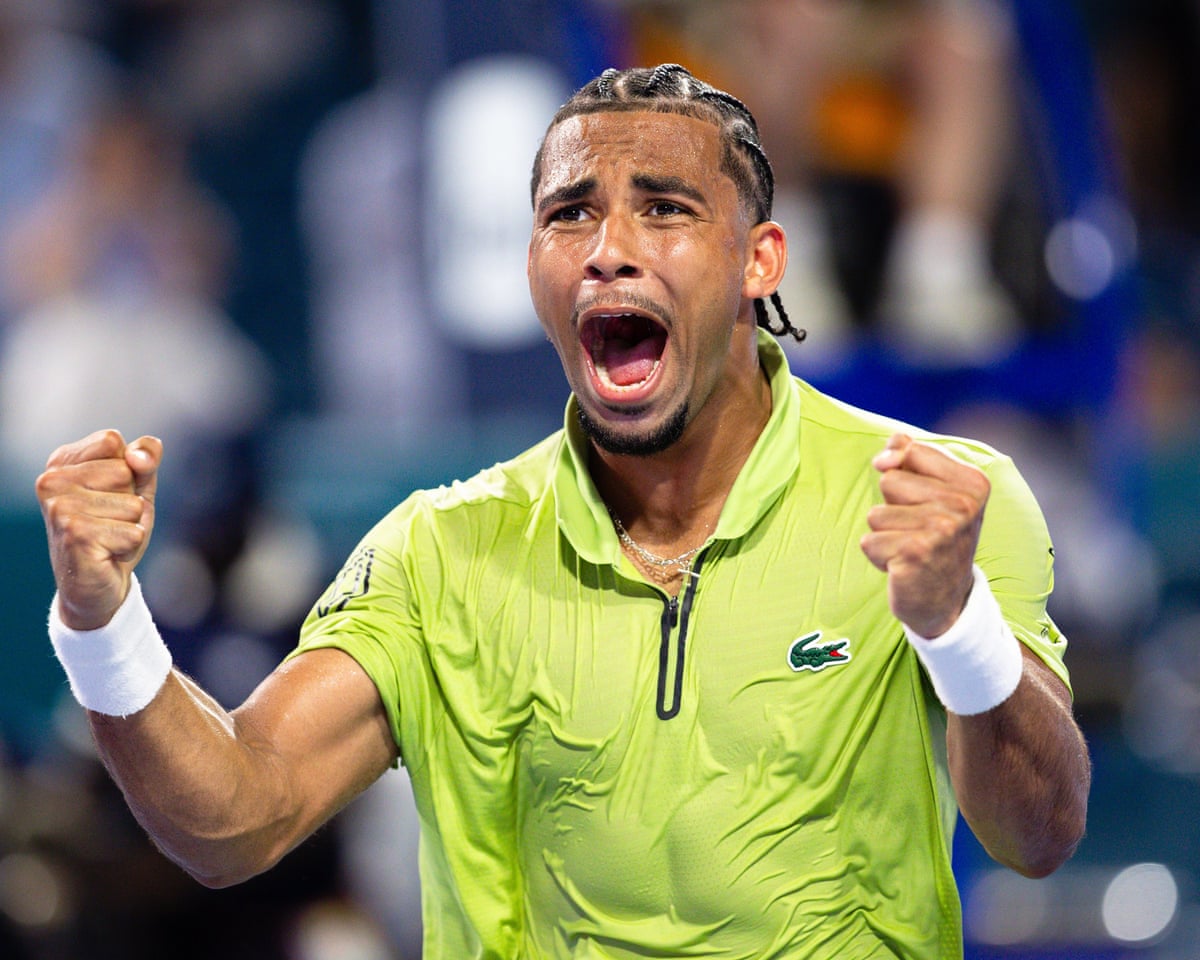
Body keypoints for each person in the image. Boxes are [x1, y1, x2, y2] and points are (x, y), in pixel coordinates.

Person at [35, 64, 1089, 959]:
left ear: (759, 260)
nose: (606, 249)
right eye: (568, 213)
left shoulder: (938, 503)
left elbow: (1038, 835)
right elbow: (235, 819)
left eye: (665, 209)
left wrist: (956, 625)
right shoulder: (438, 553)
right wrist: (100, 623)